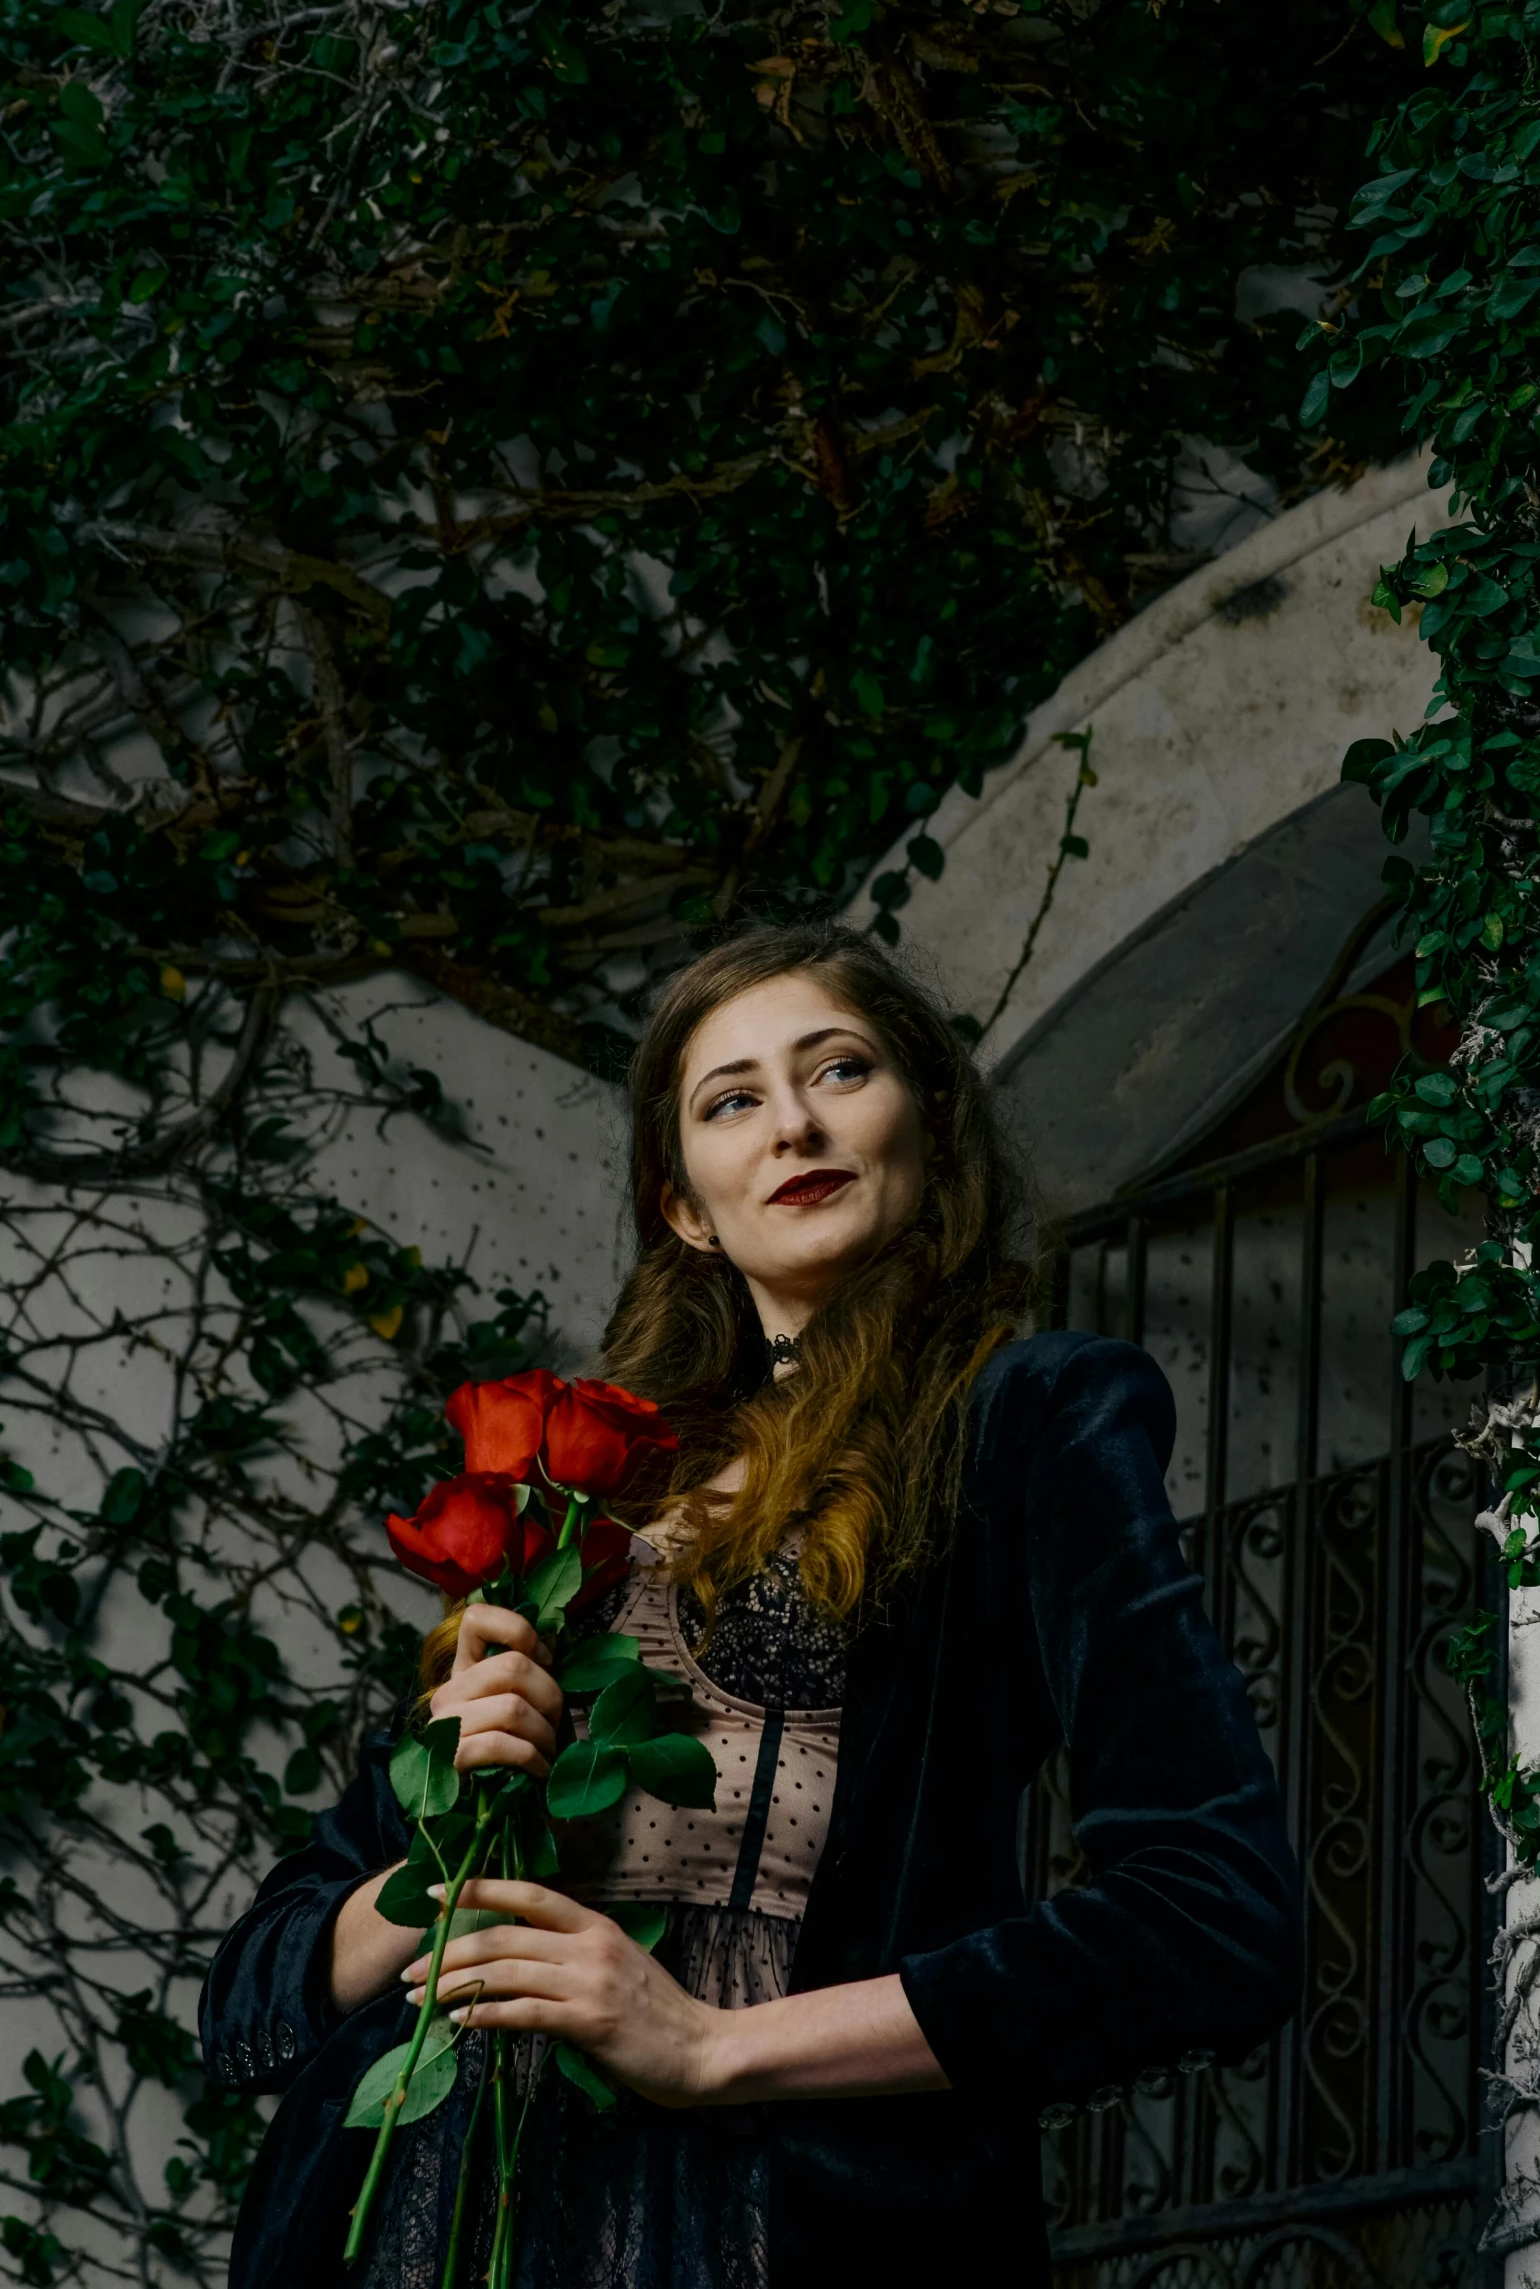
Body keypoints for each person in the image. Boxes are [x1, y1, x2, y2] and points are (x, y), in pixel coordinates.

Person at [201, 920, 1301, 2289]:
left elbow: (1213, 1913)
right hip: (423, 2227)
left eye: (837, 1070)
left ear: (928, 1121)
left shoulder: (1029, 1420)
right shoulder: (582, 1500)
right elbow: (251, 1991)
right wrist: (438, 1843)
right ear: (683, 1202)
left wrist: (708, 2046)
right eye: (732, 1099)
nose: (790, 1123)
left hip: (772, 2225)